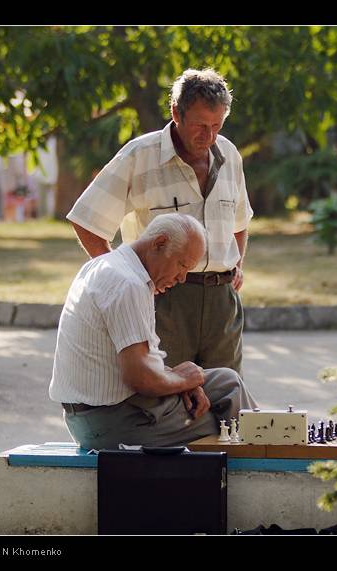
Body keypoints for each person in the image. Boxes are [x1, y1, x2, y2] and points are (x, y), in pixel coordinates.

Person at [66, 68, 252, 377]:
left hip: (222, 301)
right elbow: (87, 220)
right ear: (176, 113)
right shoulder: (140, 155)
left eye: (217, 125)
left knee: (226, 398)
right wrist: (124, 281)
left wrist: (239, 265)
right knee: (165, 402)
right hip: (163, 301)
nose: (208, 136)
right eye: (200, 126)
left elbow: (240, 221)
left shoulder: (229, 154)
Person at [48, 213, 258, 450]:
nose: (181, 278)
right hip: (110, 422)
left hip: (96, 414)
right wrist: (181, 380)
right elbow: (140, 377)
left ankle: (264, 448)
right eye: (181, 265)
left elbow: (137, 363)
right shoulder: (128, 283)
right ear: (158, 244)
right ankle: (265, 465)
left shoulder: (105, 267)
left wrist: (182, 382)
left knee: (229, 383)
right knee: (227, 427)